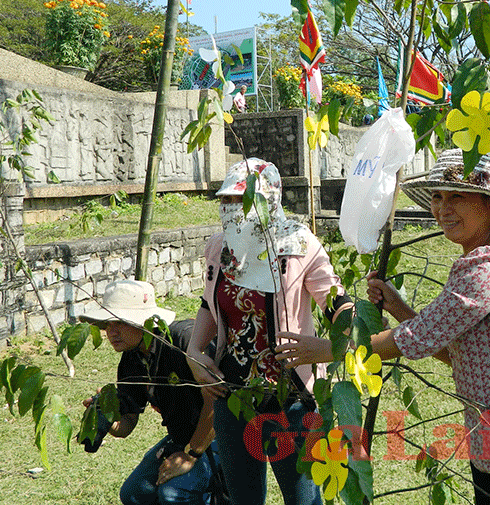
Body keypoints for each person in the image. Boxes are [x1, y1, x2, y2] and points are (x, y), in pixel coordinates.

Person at [275, 149, 490, 505]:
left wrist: (329, 351)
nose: (443, 209)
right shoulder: (478, 258)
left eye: (457, 197)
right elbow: (453, 353)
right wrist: (399, 308)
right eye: (437, 197)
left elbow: (413, 339)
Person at [187, 158, 353, 505]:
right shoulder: (220, 248)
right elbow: (209, 305)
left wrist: (335, 343)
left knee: (303, 497)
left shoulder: (298, 244)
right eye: (227, 200)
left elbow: (336, 302)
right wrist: (195, 351)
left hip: (291, 398)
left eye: (243, 200)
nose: (233, 209)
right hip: (232, 397)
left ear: (270, 201)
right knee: (243, 497)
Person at [78, 279, 219, 505]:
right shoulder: (131, 359)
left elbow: (217, 401)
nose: (111, 332)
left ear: (145, 321)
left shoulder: (184, 340)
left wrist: (191, 454)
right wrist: (108, 417)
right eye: (107, 325)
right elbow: (126, 425)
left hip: (221, 435)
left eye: (120, 323)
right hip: (182, 438)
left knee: (174, 494)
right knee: (133, 494)